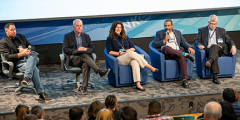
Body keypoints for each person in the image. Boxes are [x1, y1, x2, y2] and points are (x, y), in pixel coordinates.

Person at [0, 23, 51, 101]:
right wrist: (21, 54)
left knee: (33, 53)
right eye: (11, 30)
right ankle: (41, 93)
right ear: (6, 31)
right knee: (34, 69)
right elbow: (8, 57)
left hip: (28, 60)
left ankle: (26, 77)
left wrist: (27, 50)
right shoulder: (3, 42)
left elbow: (32, 46)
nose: (14, 31)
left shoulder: (21, 36)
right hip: (17, 63)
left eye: (15, 29)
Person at [106, 21, 158, 91]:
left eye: (120, 27)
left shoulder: (125, 37)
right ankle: (150, 67)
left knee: (134, 62)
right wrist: (120, 54)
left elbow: (133, 48)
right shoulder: (109, 39)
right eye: (117, 27)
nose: (118, 29)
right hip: (118, 59)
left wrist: (127, 51)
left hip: (129, 57)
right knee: (131, 54)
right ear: (113, 28)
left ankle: (138, 84)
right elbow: (109, 52)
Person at [63, 19, 110, 94]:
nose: (79, 27)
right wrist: (77, 51)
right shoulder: (67, 36)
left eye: (80, 26)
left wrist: (86, 49)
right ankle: (99, 71)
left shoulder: (86, 36)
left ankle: (84, 88)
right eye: (77, 26)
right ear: (73, 27)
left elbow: (93, 49)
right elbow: (65, 49)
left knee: (86, 64)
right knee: (84, 56)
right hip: (73, 59)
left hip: (84, 59)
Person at [194, 14, 236, 84]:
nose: (213, 25)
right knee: (214, 53)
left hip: (219, 49)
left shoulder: (222, 30)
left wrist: (233, 46)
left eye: (214, 24)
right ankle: (215, 76)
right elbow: (196, 40)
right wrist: (199, 45)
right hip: (207, 50)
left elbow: (229, 40)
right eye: (211, 23)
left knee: (215, 46)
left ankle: (210, 62)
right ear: (208, 22)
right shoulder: (202, 30)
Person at [153, 19, 195, 88]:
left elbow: (183, 42)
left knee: (181, 57)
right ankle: (185, 54)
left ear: (172, 26)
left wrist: (189, 47)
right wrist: (164, 40)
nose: (167, 27)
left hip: (177, 52)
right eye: (165, 26)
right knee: (165, 48)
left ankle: (184, 80)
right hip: (167, 54)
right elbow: (154, 44)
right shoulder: (159, 33)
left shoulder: (177, 32)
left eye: (168, 25)